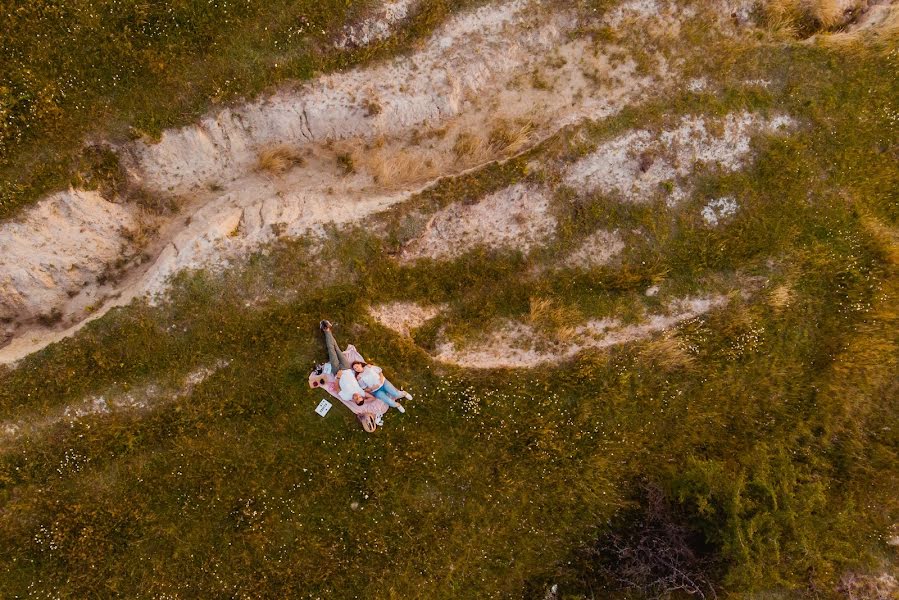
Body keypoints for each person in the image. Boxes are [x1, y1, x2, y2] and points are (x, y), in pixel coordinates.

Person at [320, 320, 371, 407]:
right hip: (346, 367)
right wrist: (365, 401)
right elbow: (371, 398)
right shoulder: (361, 392)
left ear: (354, 401)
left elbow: (337, 388)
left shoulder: (346, 397)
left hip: (337, 371)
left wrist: (338, 377)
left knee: (331, 350)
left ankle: (326, 330)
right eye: (359, 397)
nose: (357, 396)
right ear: (361, 396)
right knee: (336, 348)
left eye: (356, 399)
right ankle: (327, 330)